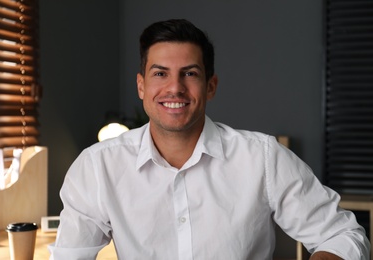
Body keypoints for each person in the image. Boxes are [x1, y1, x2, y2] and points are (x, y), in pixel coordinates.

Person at [49, 19, 370, 259]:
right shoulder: (97, 166)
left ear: (211, 86)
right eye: (160, 73)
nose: (174, 88)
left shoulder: (262, 158)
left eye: (189, 73)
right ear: (141, 86)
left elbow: (343, 236)